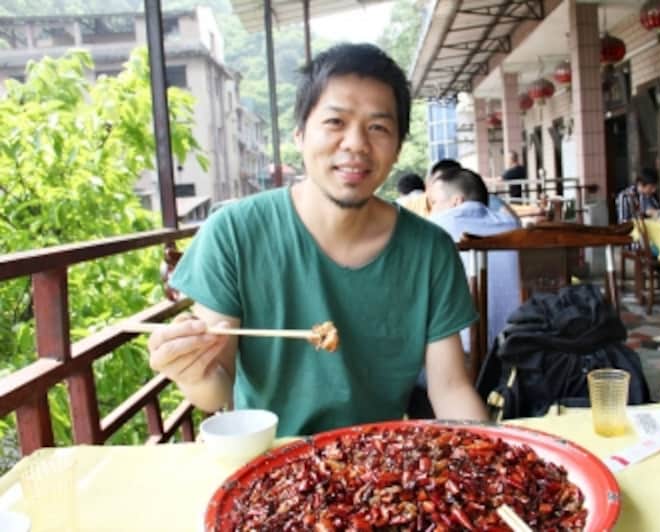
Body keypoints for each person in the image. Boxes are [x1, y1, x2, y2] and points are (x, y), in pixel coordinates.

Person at [147, 43, 488, 437]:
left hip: (382, 463)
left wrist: (497, 457)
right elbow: (216, 390)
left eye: (378, 127)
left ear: (397, 148)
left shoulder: (430, 250)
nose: (356, 144)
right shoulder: (235, 233)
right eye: (335, 122)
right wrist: (192, 372)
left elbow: (450, 388)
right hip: (271, 462)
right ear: (299, 133)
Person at [428, 167, 521, 354]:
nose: (433, 210)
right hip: (516, 342)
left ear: (457, 201)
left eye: (435, 203)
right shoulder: (512, 224)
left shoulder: (434, 228)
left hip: (457, 353)